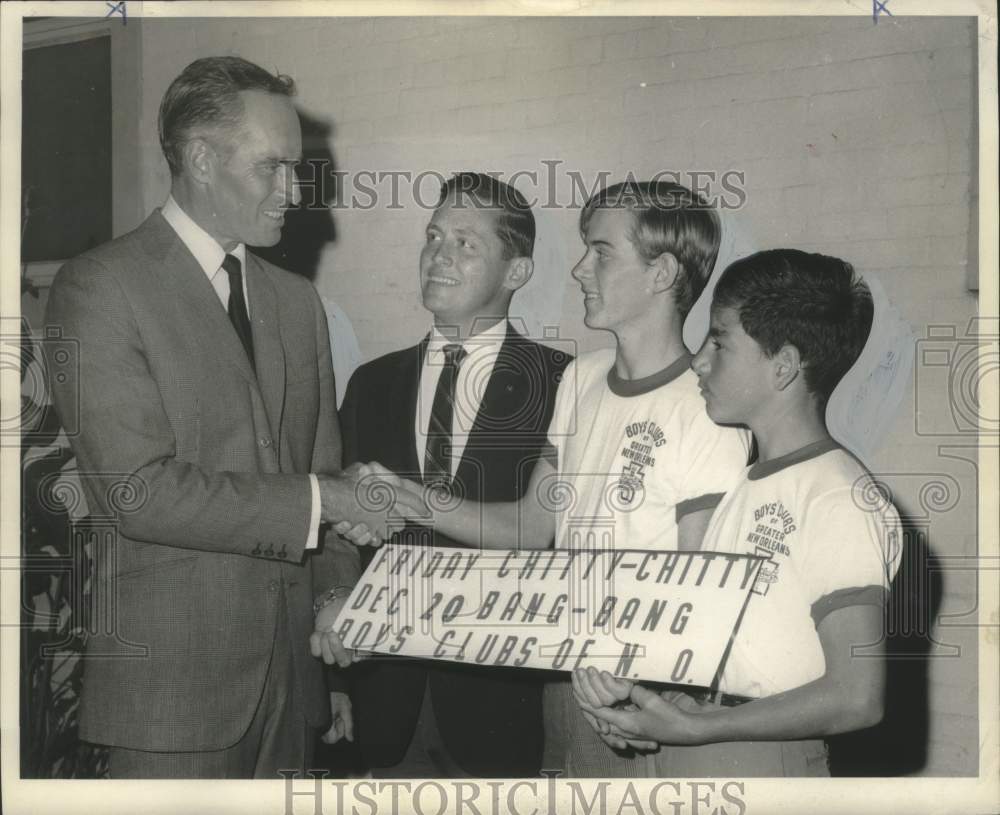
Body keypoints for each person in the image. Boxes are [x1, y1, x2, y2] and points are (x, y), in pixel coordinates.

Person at [336, 180, 751, 777]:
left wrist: (634, 679)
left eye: (600, 252)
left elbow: (704, 586)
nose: (580, 269)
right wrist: (408, 497)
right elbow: (532, 525)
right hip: (564, 692)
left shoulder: (707, 406)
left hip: (643, 701)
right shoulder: (579, 381)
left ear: (661, 273)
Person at [44, 56, 383, 779]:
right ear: (200, 158)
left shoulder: (298, 302)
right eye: (272, 167)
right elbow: (139, 490)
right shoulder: (99, 287)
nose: (293, 190)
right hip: (169, 699)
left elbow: (319, 472)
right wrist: (326, 500)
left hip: (295, 688)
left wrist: (333, 596)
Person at [571, 249, 903, 777]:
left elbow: (857, 696)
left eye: (720, 341)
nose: (700, 360)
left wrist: (701, 727)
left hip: (759, 760)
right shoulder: (747, 484)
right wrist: (648, 710)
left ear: (784, 366)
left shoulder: (837, 496)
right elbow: (731, 652)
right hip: (705, 746)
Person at [326, 172, 569, 777]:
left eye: (466, 242)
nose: (439, 253)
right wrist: (331, 682)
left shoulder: (565, 383)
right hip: (383, 695)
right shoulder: (370, 384)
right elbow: (332, 528)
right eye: (434, 235)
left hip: (505, 703)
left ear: (516, 272)